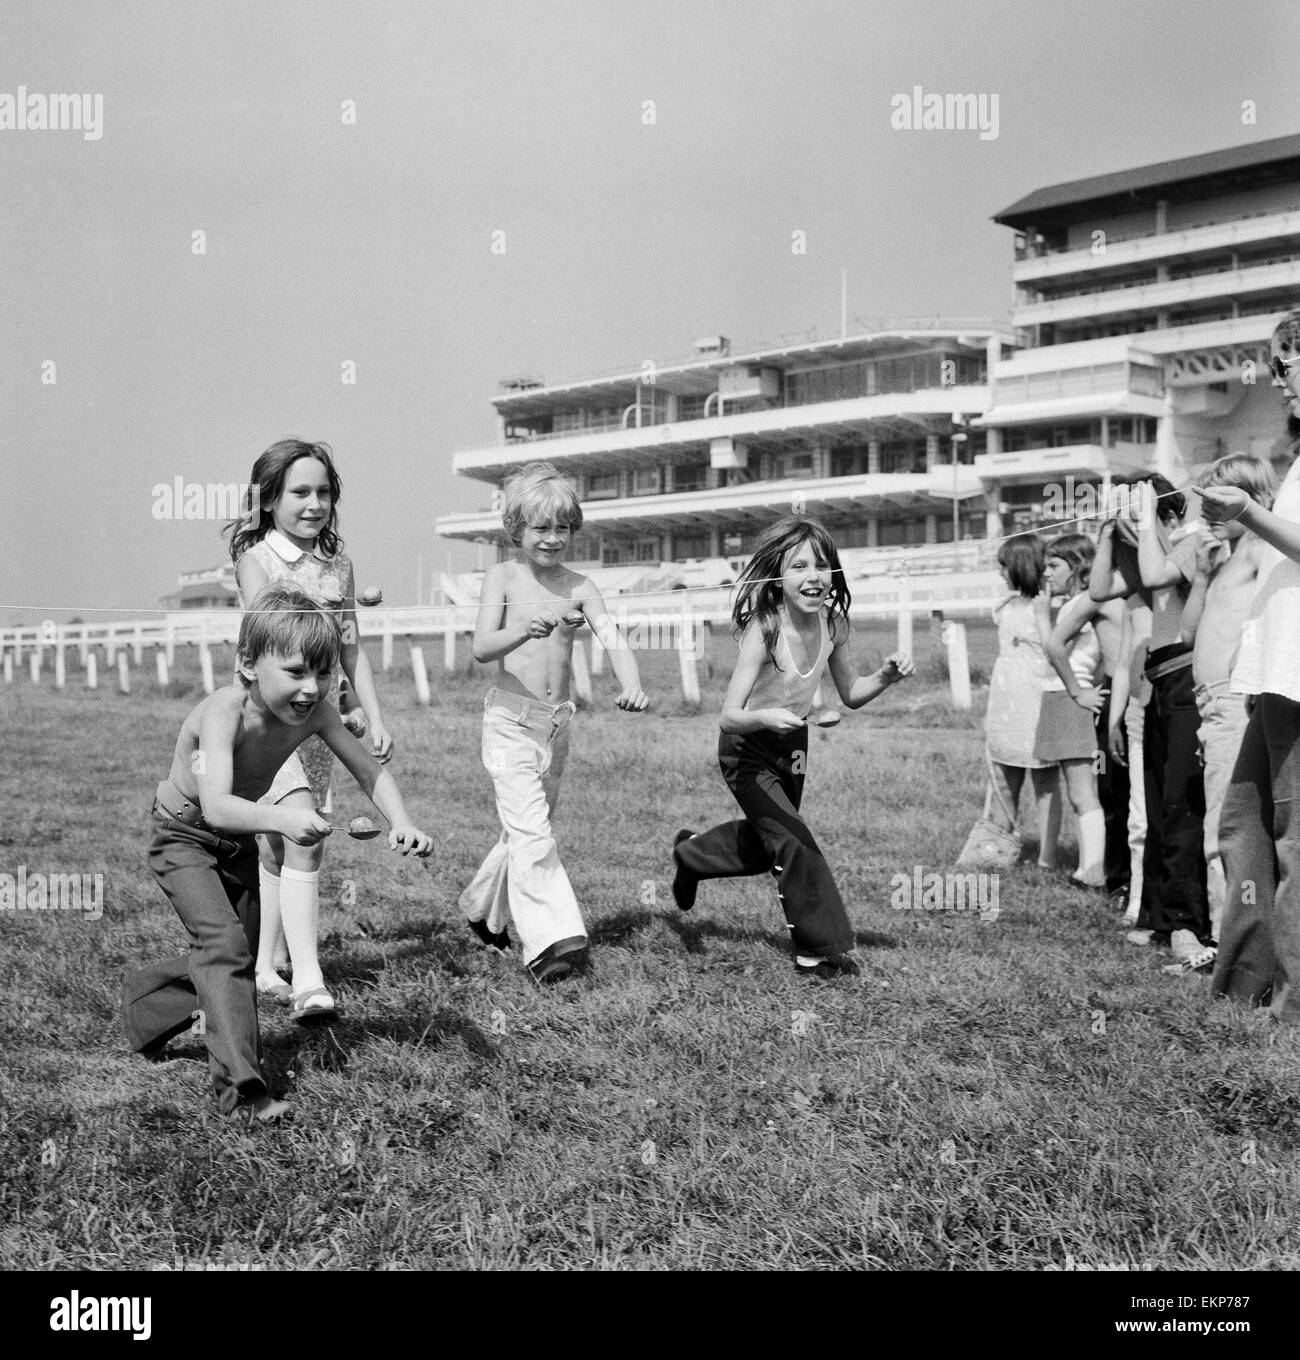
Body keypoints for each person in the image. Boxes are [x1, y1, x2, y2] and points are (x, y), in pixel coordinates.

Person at [121, 585, 432, 1119]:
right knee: (225, 948)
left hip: (234, 842)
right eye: (294, 672)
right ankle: (241, 1093)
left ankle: (144, 1005)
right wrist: (287, 819)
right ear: (248, 664)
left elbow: (369, 769)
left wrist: (401, 821)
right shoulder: (222, 713)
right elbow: (217, 805)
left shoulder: (315, 713)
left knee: (232, 949)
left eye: (324, 673)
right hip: (182, 837)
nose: (312, 688)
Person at [670, 515, 914, 980]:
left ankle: (691, 855)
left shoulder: (835, 624)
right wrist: (765, 717)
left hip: (793, 745)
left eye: (822, 565)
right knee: (793, 839)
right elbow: (728, 715)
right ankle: (817, 950)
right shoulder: (765, 630)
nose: (813, 576)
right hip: (746, 747)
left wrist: (886, 676)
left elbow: (851, 693)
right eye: (799, 566)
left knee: (770, 845)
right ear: (778, 576)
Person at [461, 462, 648, 984]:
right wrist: (522, 628)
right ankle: (552, 944)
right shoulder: (502, 578)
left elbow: (613, 637)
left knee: (522, 830)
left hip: (556, 727)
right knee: (534, 834)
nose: (552, 538)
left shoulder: (581, 586)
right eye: (540, 528)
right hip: (509, 722)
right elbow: (480, 648)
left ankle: (480, 909)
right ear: (516, 529)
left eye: (562, 527)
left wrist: (630, 682)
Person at [227, 438, 392, 1021]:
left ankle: (268, 966)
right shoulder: (257, 562)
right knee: (303, 834)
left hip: (324, 720)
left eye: (323, 491)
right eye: (299, 491)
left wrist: (371, 713)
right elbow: (273, 639)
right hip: (273, 722)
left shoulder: (339, 565)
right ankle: (310, 982)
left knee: (282, 841)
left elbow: (351, 650)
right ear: (269, 499)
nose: (313, 502)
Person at [1204, 308, 1300, 1018]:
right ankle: (1241, 990)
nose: (1278, 376)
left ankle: (1289, 1013)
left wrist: (1245, 511)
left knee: (1292, 848)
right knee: (1243, 829)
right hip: (1275, 680)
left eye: (1289, 359)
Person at [1091, 475, 1207, 964]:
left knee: (1180, 805)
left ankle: (1188, 923)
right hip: (1156, 682)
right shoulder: (1150, 555)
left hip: (1185, 676)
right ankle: (1159, 917)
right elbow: (1099, 588)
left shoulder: (1191, 543)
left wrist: (1143, 512)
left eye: (1142, 514)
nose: (1132, 526)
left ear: (1170, 516)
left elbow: (1158, 576)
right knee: (1158, 807)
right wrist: (1104, 536)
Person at [1177, 455, 1276, 969]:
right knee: (1227, 823)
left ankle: (1228, 950)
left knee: (1229, 828)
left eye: (1221, 500)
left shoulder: (1260, 547)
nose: (1209, 511)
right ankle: (1232, 946)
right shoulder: (1226, 556)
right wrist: (1201, 575)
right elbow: (1189, 635)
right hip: (1211, 705)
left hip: (1236, 699)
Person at [1032, 533, 1107, 887]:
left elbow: (1054, 649)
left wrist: (1082, 693)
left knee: (1082, 791)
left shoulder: (1082, 603)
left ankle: (1093, 869)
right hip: (1058, 696)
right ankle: (1087, 866)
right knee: (1075, 790)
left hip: (1069, 697)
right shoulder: (1070, 604)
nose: (1046, 573)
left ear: (1076, 567)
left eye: (1054, 565)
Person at [982, 533, 1061, 865]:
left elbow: (1053, 649)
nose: (1001, 573)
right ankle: (1000, 846)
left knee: (1044, 780)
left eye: (1005, 566)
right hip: (1005, 702)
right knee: (1004, 776)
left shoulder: (1048, 607)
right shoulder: (1003, 607)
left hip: (1037, 699)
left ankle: (1048, 854)